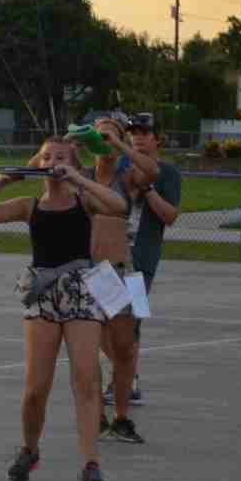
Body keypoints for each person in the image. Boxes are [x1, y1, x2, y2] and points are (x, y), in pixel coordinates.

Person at [0, 136, 127, 481]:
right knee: (36, 387)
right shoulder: (30, 205)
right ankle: (29, 449)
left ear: (74, 164)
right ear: (38, 163)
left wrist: (80, 179)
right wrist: (1, 181)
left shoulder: (84, 199)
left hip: (81, 291)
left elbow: (118, 206)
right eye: (47, 157)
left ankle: (90, 464)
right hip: (43, 294)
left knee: (86, 380)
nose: (53, 162)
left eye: (61, 157)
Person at [84, 116, 159, 445]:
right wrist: (76, 140)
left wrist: (118, 144)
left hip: (129, 269)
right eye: (99, 135)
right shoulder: (80, 176)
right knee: (94, 345)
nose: (104, 140)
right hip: (93, 270)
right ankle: (98, 415)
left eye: (110, 134)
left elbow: (152, 172)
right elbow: (37, 166)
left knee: (128, 347)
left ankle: (122, 418)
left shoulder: (127, 177)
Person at [119, 114, 180, 407]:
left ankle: (129, 382)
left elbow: (170, 216)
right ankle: (113, 378)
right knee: (106, 319)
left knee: (132, 321)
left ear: (158, 138)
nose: (138, 137)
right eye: (133, 132)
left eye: (144, 132)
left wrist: (147, 189)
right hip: (109, 255)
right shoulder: (119, 167)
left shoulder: (168, 173)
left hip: (141, 260)